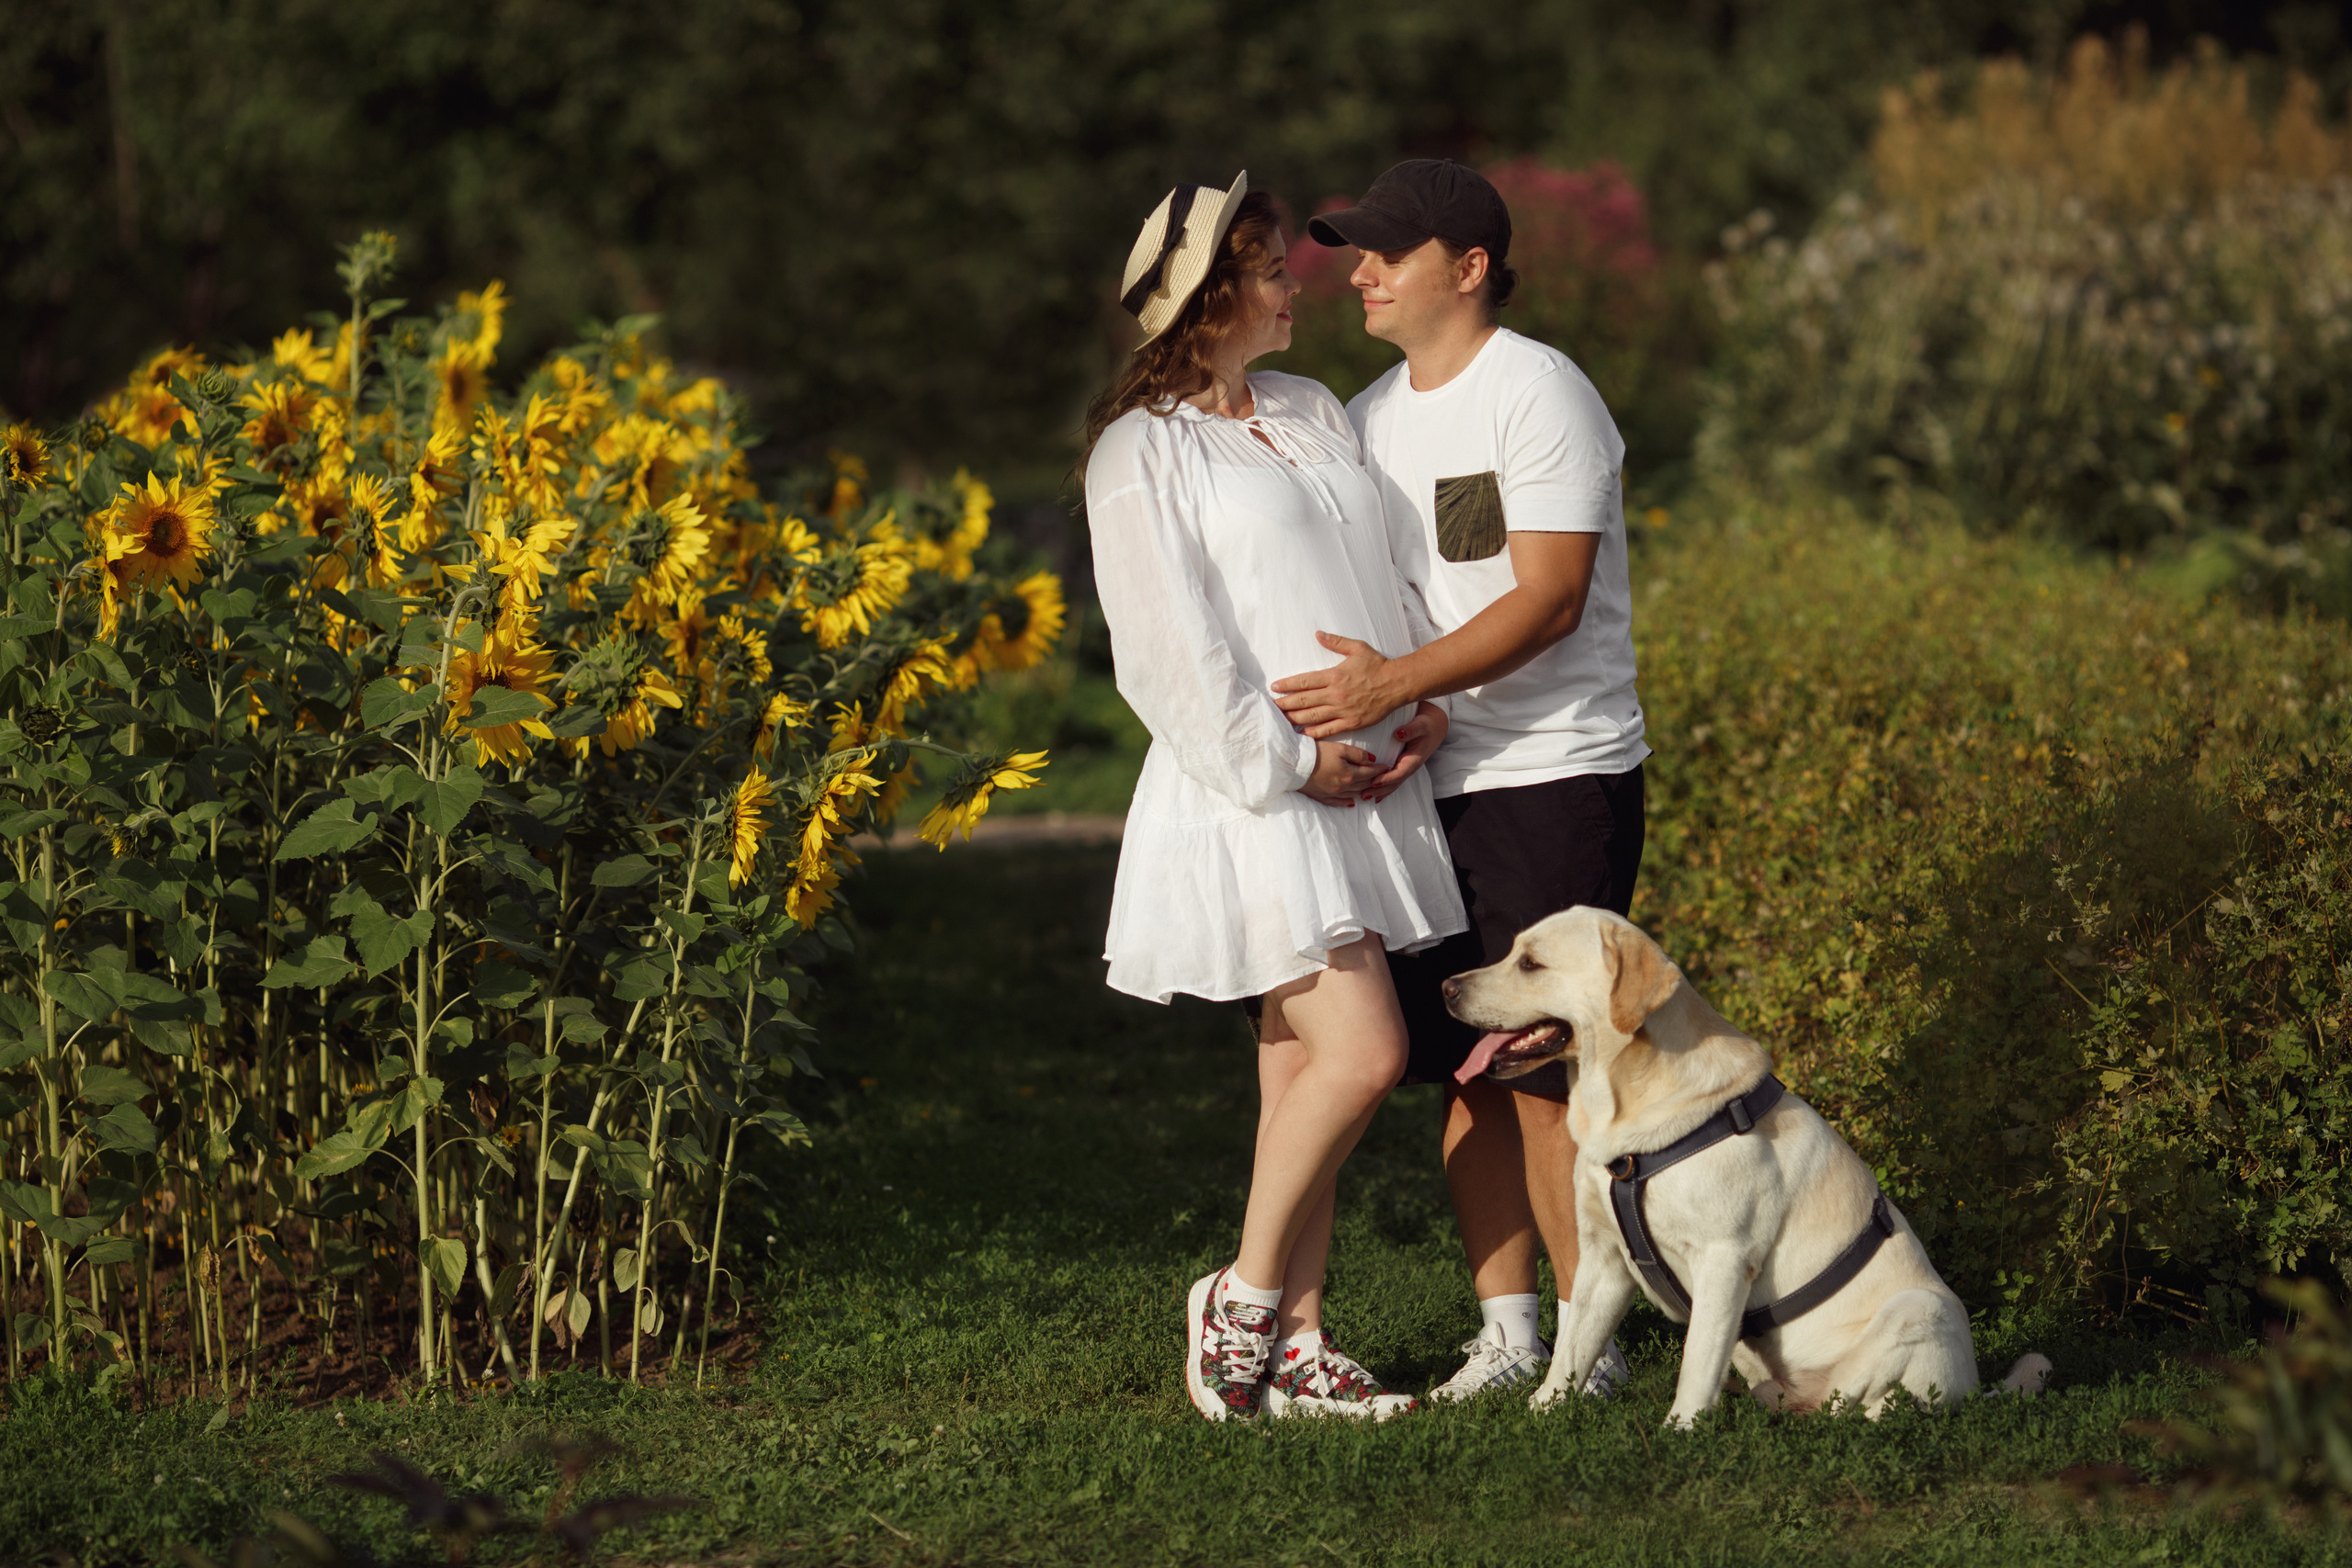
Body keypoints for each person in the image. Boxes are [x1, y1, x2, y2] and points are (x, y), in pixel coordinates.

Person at [1084, 172, 1465, 1421]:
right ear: (1206, 304)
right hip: (1256, 793)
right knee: (1369, 1053)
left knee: (1302, 1073)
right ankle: (1240, 1300)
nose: (1293, 282)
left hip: (1363, 775)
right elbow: (1163, 651)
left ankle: (1299, 1343)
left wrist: (1420, 695)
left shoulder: (1309, 408)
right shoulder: (1143, 450)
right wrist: (1294, 763)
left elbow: (1386, 566)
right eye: (1263, 270)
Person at [1273, 159, 1649, 1403]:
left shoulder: (1540, 393)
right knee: (1471, 1072)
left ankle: (1591, 1351)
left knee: (1543, 1074)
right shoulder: (1368, 415)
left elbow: (1549, 598)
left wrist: (1393, 685)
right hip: (1431, 776)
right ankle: (1511, 1339)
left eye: (1390, 252)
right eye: (1357, 252)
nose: (1360, 273)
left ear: (1471, 267)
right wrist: (1415, 708)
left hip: (1555, 773)